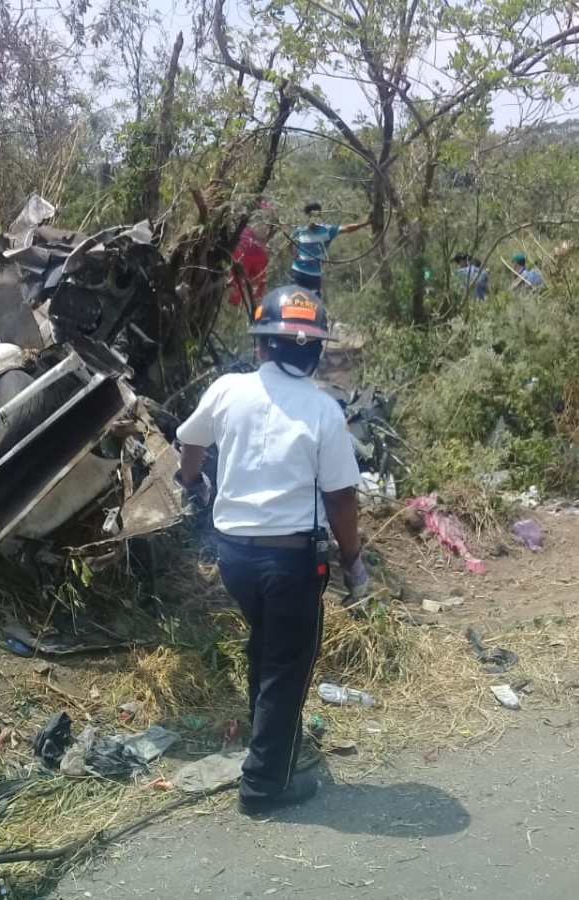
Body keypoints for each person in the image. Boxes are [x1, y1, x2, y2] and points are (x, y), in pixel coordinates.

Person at [175, 285, 369, 814]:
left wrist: (192, 484)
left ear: (262, 346)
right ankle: (264, 786)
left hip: (234, 559)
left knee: (267, 646)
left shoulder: (226, 390)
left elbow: (189, 442)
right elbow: (342, 500)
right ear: (312, 352)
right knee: (288, 666)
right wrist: (353, 561)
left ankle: (266, 737)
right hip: (292, 564)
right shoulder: (324, 410)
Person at [289, 202, 370, 296]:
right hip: (298, 273)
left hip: (314, 275)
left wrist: (364, 224)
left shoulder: (326, 230)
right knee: (294, 301)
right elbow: (290, 242)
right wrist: (294, 255)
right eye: (310, 215)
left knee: (314, 303)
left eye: (316, 215)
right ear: (307, 216)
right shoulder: (300, 230)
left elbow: (347, 228)